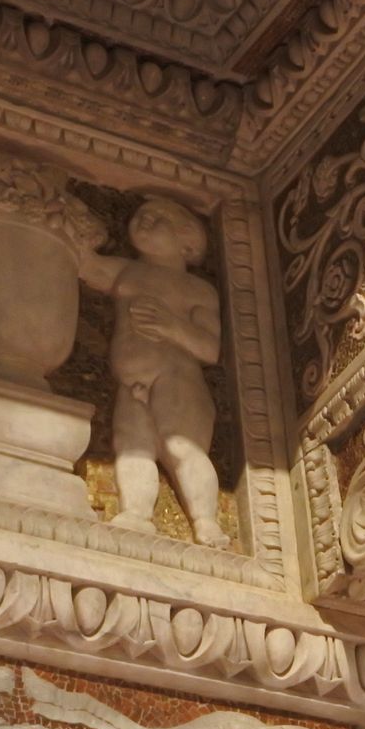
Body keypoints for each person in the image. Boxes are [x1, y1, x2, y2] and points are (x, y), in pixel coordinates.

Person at [81, 195, 226, 547]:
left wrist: (172, 327)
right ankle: (136, 513)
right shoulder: (127, 270)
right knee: (132, 446)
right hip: (129, 382)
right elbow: (87, 266)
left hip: (177, 378)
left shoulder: (197, 289)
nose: (144, 219)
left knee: (181, 446)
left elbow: (211, 348)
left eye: (158, 217)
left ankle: (207, 523)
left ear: (187, 241)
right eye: (141, 215)